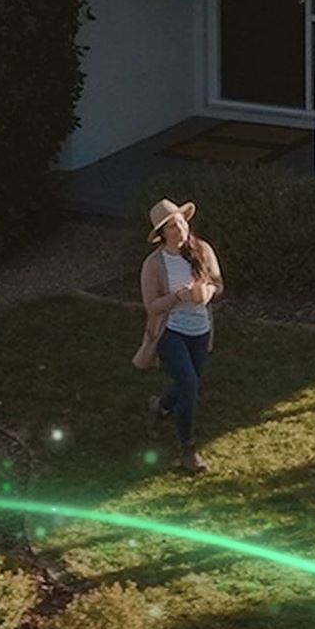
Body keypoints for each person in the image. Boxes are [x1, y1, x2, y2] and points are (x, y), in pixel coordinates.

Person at [135, 198, 224, 474]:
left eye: (182, 223)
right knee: (189, 386)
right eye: (172, 226)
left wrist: (207, 292)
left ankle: (159, 407)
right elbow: (152, 306)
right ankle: (188, 450)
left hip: (200, 330)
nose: (180, 230)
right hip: (170, 332)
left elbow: (218, 284)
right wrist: (178, 296)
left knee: (189, 382)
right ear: (162, 234)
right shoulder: (154, 264)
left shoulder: (203, 250)